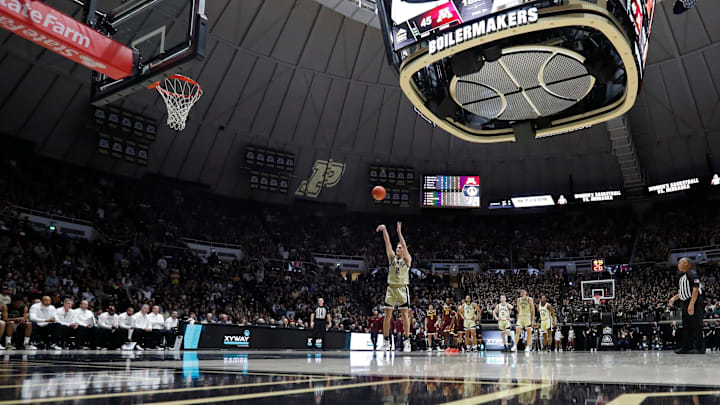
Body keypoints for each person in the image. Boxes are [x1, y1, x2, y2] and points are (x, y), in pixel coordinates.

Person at [376, 221, 413, 353]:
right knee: (387, 315)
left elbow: (404, 245)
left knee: (404, 315)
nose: (398, 249)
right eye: (397, 248)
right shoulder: (392, 258)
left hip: (402, 288)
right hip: (391, 288)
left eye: (400, 248)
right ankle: (386, 341)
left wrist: (399, 232)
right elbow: (387, 243)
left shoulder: (407, 259)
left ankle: (407, 340)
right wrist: (385, 230)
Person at [668, 257, 705, 354]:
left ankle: (700, 348)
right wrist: (674, 298)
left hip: (694, 301)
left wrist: (691, 304)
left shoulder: (692, 274)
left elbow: (695, 289)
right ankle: (686, 347)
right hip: (685, 302)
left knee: (696, 325)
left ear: (687, 264)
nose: (678, 265)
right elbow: (683, 292)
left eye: (680, 263)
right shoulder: (683, 277)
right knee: (686, 326)